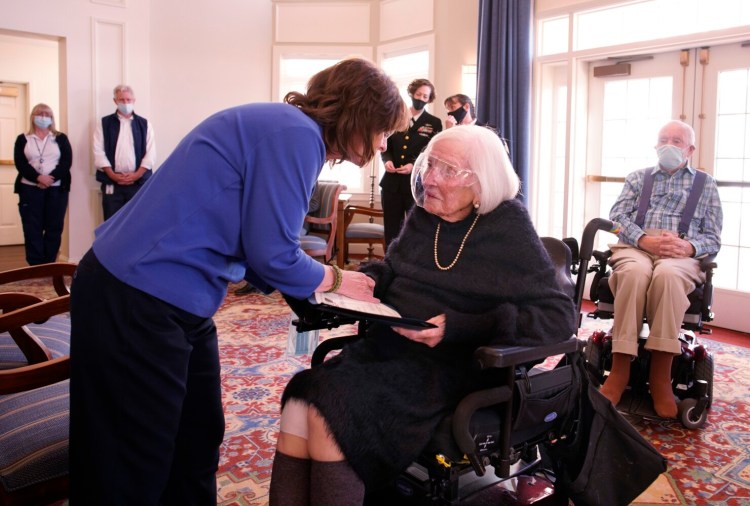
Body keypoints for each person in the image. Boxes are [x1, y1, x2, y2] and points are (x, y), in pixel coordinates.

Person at [69, 58, 407, 505]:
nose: (384, 145)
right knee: (133, 458)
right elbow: (274, 252)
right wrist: (336, 278)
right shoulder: (296, 135)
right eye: (383, 131)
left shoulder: (287, 128)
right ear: (361, 116)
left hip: (174, 297)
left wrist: (312, 286)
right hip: (138, 292)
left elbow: (251, 243)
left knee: (197, 436)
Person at [269, 125, 577, 504]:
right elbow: (395, 269)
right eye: (430, 165)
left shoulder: (508, 228)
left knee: (330, 411)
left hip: (446, 368)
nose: (429, 178)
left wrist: (461, 327)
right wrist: (362, 283)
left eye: (446, 170)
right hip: (385, 352)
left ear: (480, 183)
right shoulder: (424, 216)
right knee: (300, 400)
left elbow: (559, 318)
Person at [602, 119, 723, 418]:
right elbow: (616, 219)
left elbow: (713, 236)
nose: (669, 145)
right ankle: (619, 370)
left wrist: (689, 247)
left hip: (680, 252)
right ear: (656, 146)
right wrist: (643, 239)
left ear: (690, 149)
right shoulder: (637, 178)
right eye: (664, 140)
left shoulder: (705, 184)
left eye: (677, 141)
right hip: (637, 245)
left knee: (667, 276)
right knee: (632, 274)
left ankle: (660, 376)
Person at [380, 78, 442, 247]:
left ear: (429, 99)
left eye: (425, 96)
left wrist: (414, 166)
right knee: (391, 228)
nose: (421, 98)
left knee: (417, 228)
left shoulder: (434, 123)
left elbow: (432, 152)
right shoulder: (396, 117)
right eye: (418, 94)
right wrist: (387, 161)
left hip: (417, 184)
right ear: (412, 94)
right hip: (391, 183)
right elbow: (386, 145)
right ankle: (389, 264)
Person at [13, 103, 72, 265]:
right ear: (32, 117)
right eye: (40, 114)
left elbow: (66, 162)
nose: (43, 117)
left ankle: (48, 264)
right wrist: (38, 178)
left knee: (54, 227)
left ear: (52, 118)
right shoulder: (23, 138)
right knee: (32, 228)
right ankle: (35, 265)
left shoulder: (60, 138)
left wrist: (50, 178)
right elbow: (20, 163)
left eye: (47, 114)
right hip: (30, 189)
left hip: (57, 189)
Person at [92, 84, 156, 220]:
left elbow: (150, 154)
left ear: (134, 100)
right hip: (112, 183)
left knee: (137, 221)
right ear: (115, 101)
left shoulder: (145, 124)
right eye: (121, 100)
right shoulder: (104, 123)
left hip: (138, 184)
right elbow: (98, 152)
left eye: (128, 100)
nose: (125, 103)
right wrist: (112, 175)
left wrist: (137, 175)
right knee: (111, 223)